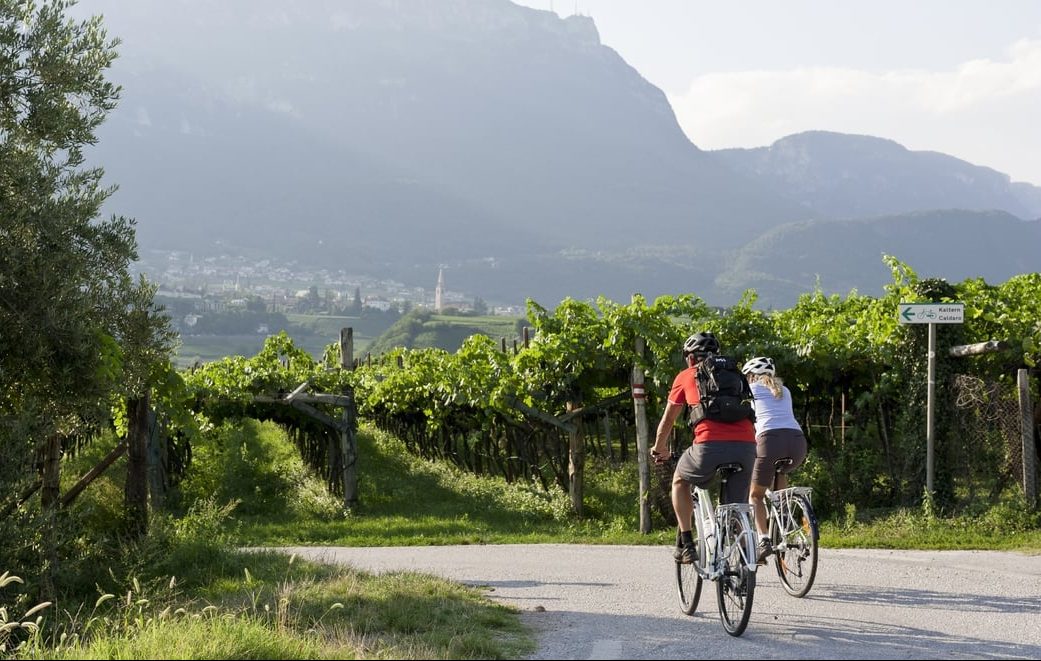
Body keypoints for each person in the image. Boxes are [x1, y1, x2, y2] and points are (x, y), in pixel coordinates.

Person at [651, 331, 757, 564]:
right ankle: (744, 562)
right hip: (747, 447)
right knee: (737, 506)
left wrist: (660, 448)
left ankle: (687, 544)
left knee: (680, 479)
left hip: (708, 446)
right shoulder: (736, 376)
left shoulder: (686, 375)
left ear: (690, 358)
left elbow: (668, 420)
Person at [741, 356, 808, 562]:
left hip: (769, 441)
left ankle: (764, 541)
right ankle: (784, 517)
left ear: (751, 376)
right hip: (797, 442)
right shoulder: (784, 390)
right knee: (781, 472)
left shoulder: (750, 390)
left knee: (755, 495)